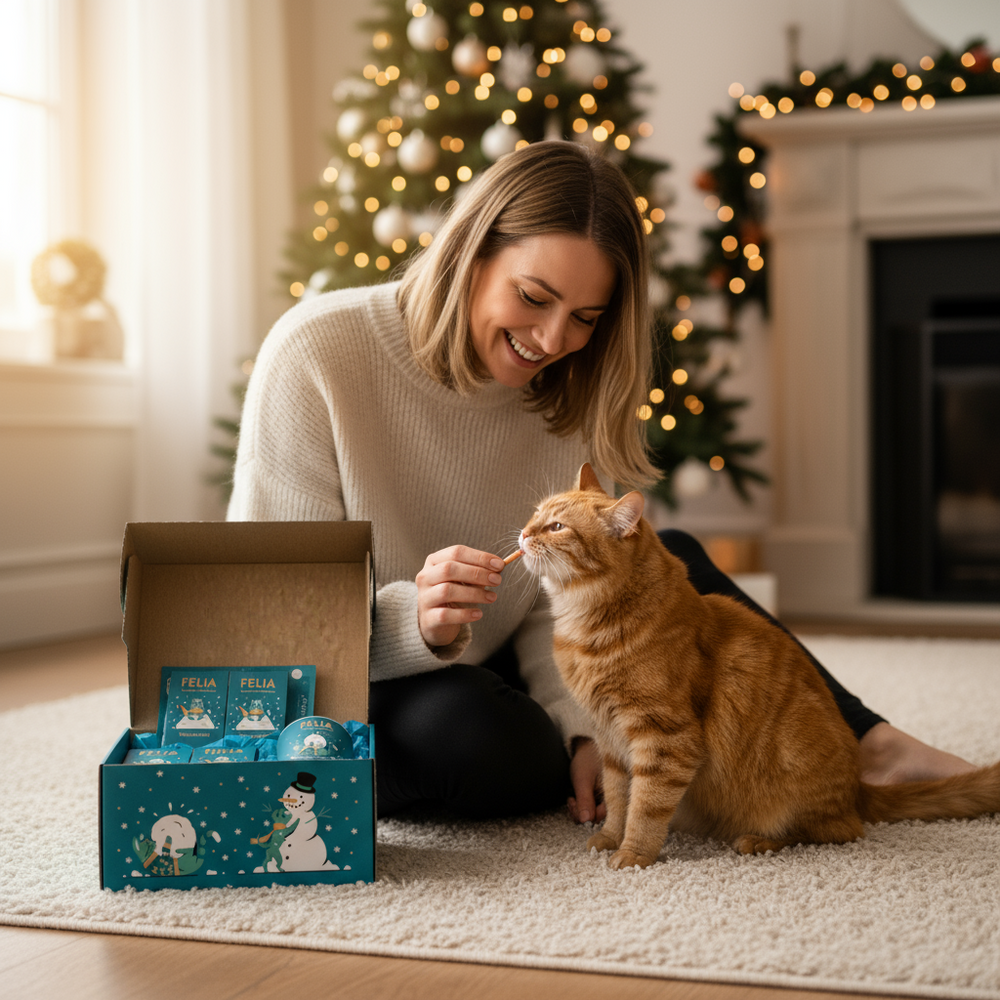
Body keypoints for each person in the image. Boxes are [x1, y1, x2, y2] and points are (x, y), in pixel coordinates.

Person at [229, 140, 974, 823]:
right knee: (466, 732)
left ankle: (872, 743)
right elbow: (275, 623)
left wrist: (587, 727)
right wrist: (413, 623)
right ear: (469, 254)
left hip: (519, 659)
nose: (554, 341)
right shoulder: (317, 352)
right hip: (361, 686)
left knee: (670, 562)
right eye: (533, 297)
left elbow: (555, 600)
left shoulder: (572, 383)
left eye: (585, 316)